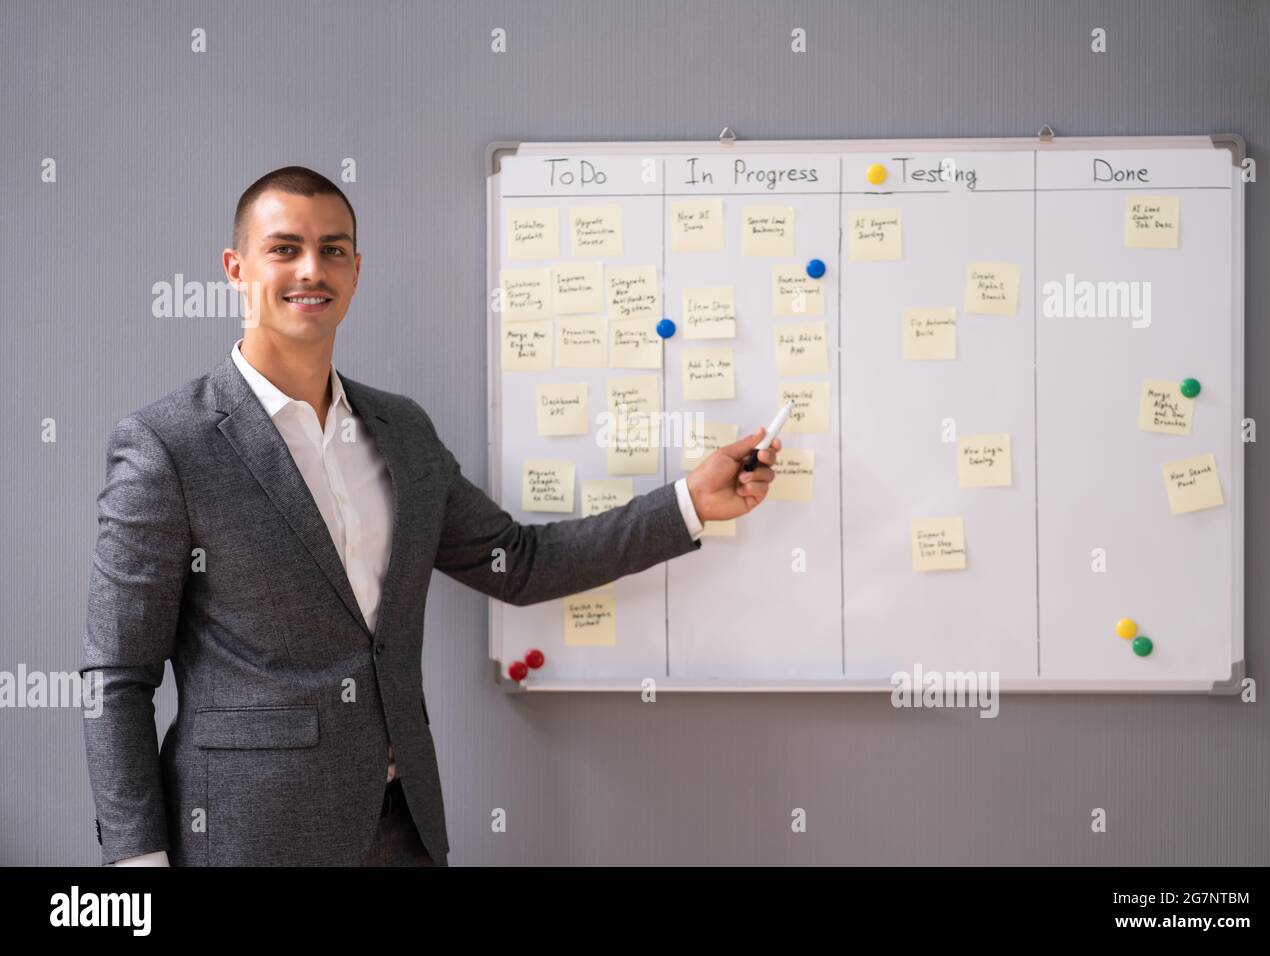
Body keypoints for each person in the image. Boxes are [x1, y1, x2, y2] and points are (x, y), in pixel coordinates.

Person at [81, 166, 781, 866]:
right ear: (236, 268)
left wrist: (687, 502)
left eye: (332, 250)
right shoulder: (168, 445)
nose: (310, 270)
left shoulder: (401, 431)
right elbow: (118, 677)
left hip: (404, 828)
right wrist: (138, 866)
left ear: (355, 272)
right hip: (248, 834)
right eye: (284, 248)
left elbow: (520, 562)